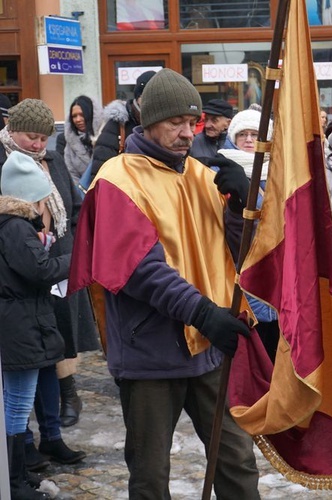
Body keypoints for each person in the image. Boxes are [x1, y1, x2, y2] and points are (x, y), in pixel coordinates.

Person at [68, 68, 260, 498]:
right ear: (148, 121)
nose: (186, 132)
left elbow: (238, 251)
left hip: (208, 349)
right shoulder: (117, 179)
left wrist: (242, 207)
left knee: (237, 463)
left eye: (191, 123)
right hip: (149, 352)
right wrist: (203, 313)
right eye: (175, 122)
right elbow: (139, 270)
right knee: (151, 476)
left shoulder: (201, 173)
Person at [0, 98, 90, 469]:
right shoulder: (4, 163)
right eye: (30, 136)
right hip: (21, 276)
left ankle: (52, 437)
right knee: (24, 366)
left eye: (42, 137)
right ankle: (21, 448)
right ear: (12, 131)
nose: (37, 144)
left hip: (55, 272)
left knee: (53, 356)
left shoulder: (53, 163)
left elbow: (75, 206)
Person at [0, 151, 68, 500]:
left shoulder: (13, 226)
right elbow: (40, 270)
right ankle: (12, 482)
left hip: (20, 322)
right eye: (42, 198)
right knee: (17, 404)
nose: (45, 205)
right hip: (19, 326)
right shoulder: (15, 227)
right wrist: (77, 259)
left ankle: (16, 478)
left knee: (15, 401)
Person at [215, 109, 280, 361]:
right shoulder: (218, 171)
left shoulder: (277, 172)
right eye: (244, 134)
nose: (250, 140)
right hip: (237, 274)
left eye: (256, 134)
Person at [90, 70, 156, 177]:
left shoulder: (164, 124)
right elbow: (100, 169)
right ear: (138, 97)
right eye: (147, 96)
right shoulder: (118, 124)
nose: (152, 102)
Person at [56, 95, 104, 184]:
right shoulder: (65, 140)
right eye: (74, 116)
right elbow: (67, 173)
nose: (78, 120)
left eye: (82, 115)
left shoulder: (105, 138)